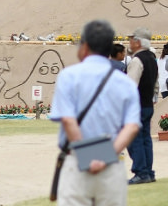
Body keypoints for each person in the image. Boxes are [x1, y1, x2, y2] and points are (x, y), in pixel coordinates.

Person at [49, 20, 140, 206]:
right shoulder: (126, 83)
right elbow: (131, 127)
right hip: (111, 164)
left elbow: (68, 120)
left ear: (85, 46)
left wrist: (87, 156)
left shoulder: (69, 76)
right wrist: (106, 155)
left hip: (76, 162)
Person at [126, 27, 158, 185]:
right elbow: (156, 84)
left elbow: (130, 87)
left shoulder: (137, 61)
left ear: (138, 42)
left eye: (131, 39)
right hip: (147, 104)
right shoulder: (152, 59)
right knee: (146, 139)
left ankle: (140, 171)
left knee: (135, 139)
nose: (129, 42)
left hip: (135, 106)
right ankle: (148, 171)